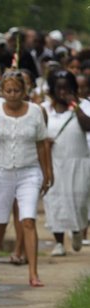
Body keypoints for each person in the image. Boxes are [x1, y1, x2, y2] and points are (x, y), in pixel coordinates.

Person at [0, 70, 52, 286]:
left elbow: (41, 143)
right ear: (2, 91)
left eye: (17, 90)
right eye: (8, 90)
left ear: (24, 91)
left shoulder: (35, 111)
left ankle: (33, 271)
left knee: (28, 220)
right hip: (1, 171)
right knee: (0, 221)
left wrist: (47, 172)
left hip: (29, 171)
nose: (12, 95)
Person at [42, 70, 90, 255]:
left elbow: (87, 125)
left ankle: (78, 230)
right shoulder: (45, 108)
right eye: (59, 89)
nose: (62, 93)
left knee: (79, 202)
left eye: (67, 88)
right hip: (53, 163)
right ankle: (59, 242)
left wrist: (75, 105)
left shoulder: (84, 106)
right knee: (55, 202)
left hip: (78, 163)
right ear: (53, 90)